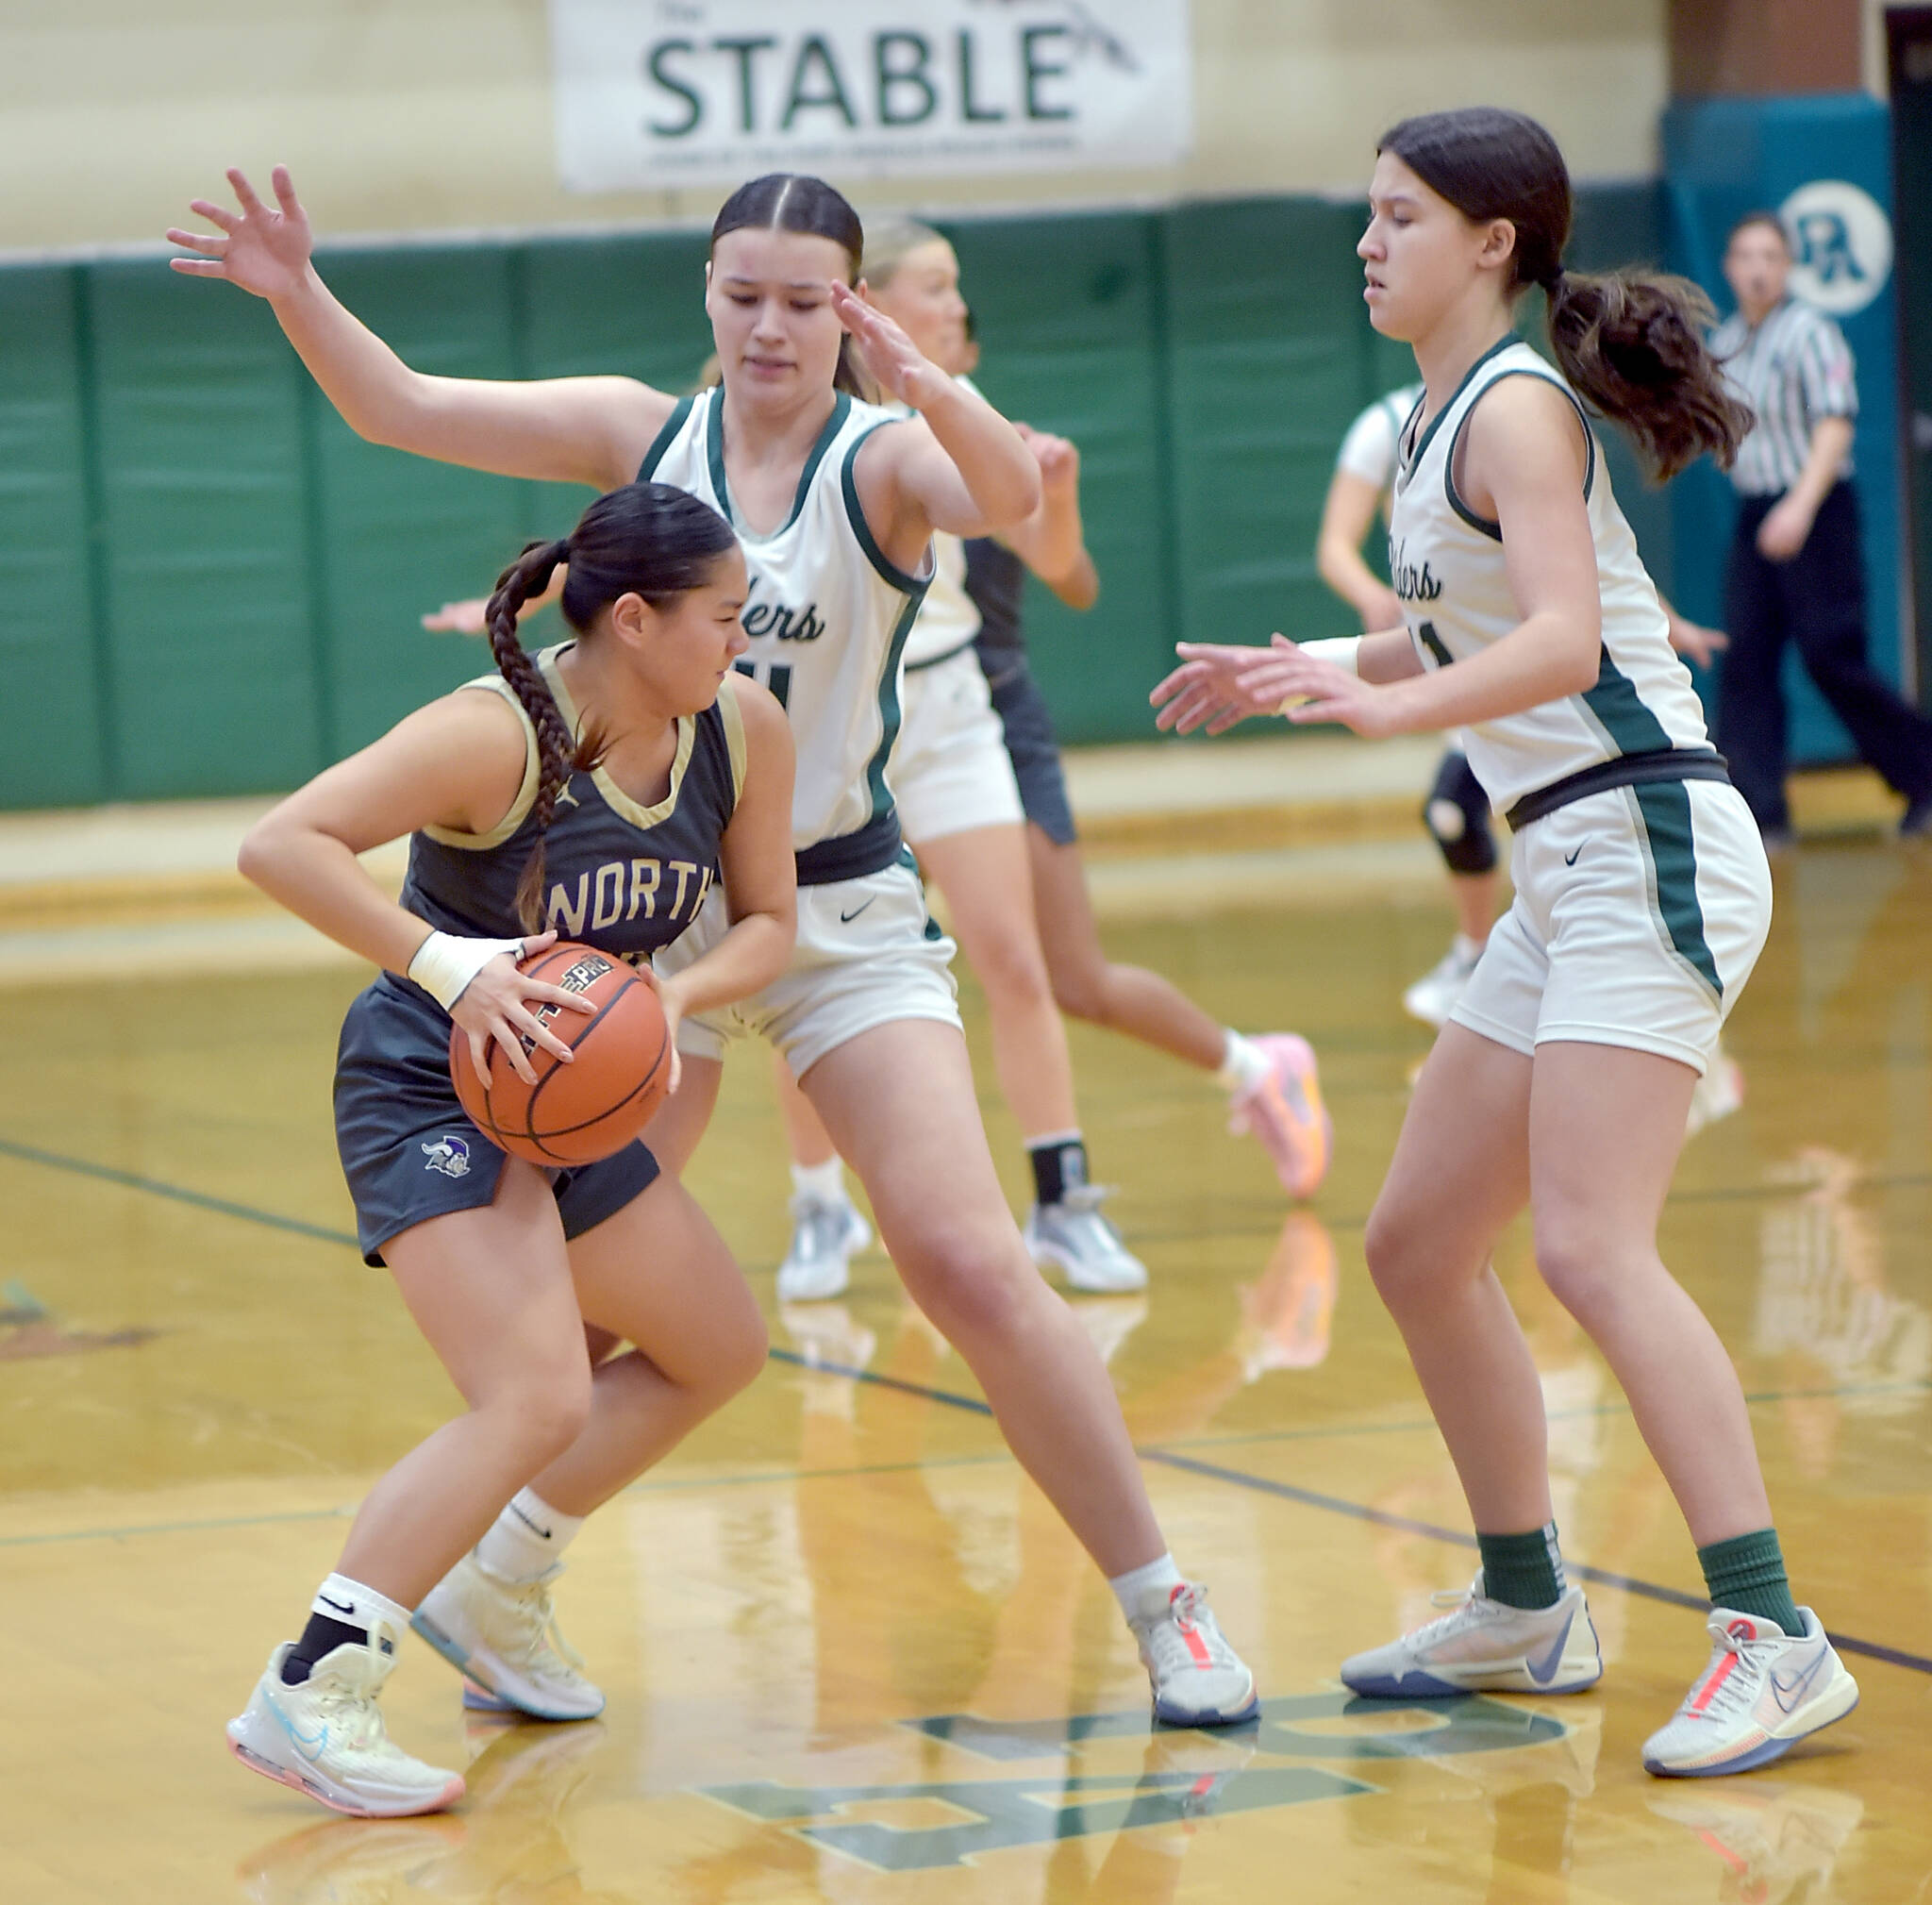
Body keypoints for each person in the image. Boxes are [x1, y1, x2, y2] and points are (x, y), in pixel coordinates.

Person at [172, 166, 1258, 1731]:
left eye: (804, 299)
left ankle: (1164, 1602)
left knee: (963, 1255)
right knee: (603, 1313)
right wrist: (294, 289)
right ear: (705, 292)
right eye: (741, 293)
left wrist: (923, 377)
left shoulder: (882, 455)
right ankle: (504, 1573)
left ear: (846, 307)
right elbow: (399, 405)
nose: (769, 325)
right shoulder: (641, 430)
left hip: (826, 908)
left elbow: (1012, 497)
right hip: (634, 921)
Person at [1153, 107, 1857, 1776]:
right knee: (1410, 1241)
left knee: (1591, 1247)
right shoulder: (1428, 415)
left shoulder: (1519, 408)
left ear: (1491, 241)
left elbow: (1552, 643)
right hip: (1565, 865)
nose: (1364, 240)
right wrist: (1310, 663)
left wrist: (1369, 697)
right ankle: (1525, 1599)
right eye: (1366, 213)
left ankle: (1775, 1633)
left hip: (1648, 839)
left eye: (1395, 215)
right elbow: (1460, 626)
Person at [223, 482, 798, 1815]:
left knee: (717, 1345)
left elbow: (766, 917)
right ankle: (312, 1684)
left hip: (577, 1080)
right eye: (726, 616)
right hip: (433, 1076)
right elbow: (279, 842)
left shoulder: (739, 725)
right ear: (640, 619)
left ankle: (505, 1576)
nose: (745, 639)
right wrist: (452, 965)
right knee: (536, 1392)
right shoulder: (494, 737)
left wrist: (670, 997)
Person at [769, 221, 1329, 1302]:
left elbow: (1066, 571)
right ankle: (819, 1207)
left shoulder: (964, 426)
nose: (957, 304)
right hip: (834, 722)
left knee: (1030, 966)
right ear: (864, 301)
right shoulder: (805, 427)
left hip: (960, 704)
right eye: (935, 285)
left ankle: (1065, 1199)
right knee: (812, 968)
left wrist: (1052, 490)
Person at [1712, 211, 1932, 846]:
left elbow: (1835, 422)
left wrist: (1801, 507)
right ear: (1729, 267)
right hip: (1758, 509)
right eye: (1745, 256)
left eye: (1770, 256)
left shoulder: (1811, 333)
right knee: (1747, 658)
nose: (1757, 268)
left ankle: (1922, 777)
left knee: (1831, 655)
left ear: (1786, 267)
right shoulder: (1725, 342)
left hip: (1816, 505)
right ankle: (1759, 810)